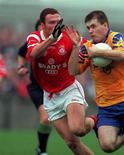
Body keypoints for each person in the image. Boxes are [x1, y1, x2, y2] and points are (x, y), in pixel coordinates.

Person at [65, 10, 124, 155]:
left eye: (94, 26)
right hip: (106, 106)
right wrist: (75, 47)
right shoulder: (86, 46)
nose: (91, 30)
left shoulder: (114, 37)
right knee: (107, 146)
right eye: (88, 27)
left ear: (105, 25)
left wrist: (96, 52)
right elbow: (73, 71)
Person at [26, 8, 95, 155]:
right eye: (52, 22)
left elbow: (92, 47)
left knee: (78, 129)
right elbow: (34, 54)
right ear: (43, 25)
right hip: (50, 96)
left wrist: (108, 49)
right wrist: (51, 38)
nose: (56, 25)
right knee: (72, 144)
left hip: (69, 89)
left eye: (58, 22)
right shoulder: (35, 37)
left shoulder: (68, 36)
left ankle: (96, 120)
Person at [17, 19, 52, 155]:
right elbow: (21, 53)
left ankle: (41, 148)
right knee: (45, 118)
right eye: (40, 30)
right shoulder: (31, 43)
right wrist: (21, 67)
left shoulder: (59, 43)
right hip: (37, 87)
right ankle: (42, 150)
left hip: (57, 88)